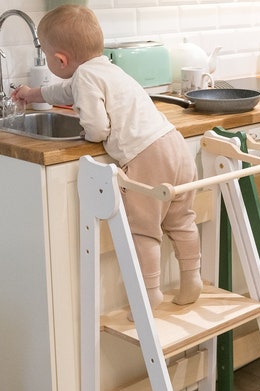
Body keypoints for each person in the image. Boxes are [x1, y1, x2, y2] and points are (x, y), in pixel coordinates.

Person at [14, 5, 202, 318]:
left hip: (147, 156)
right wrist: (33, 93)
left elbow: (98, 128)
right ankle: (191, 277)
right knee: (182, 220)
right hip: (175, 146)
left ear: (60, 60)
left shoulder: (85, 77)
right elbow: (67, 88)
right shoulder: (104, 68)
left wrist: (87, 131)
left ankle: (150, 295)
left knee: (144, 230)